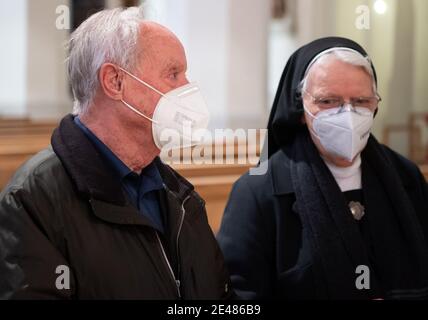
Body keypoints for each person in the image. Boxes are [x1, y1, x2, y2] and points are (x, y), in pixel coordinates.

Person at [0, 7, 232, 299]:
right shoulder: (33, 201)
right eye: (173, 74)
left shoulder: (178, 193)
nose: (187, 88)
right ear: (114, 82)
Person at [217, 37, 428, 300]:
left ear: (376, 104)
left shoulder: (406, 177)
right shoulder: (257, 192)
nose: (347, 115)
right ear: (301, 108)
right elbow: (236, 298)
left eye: (361, 101)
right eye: (328, 101)